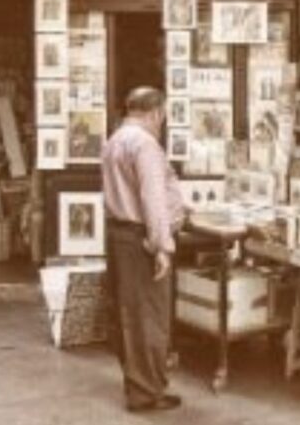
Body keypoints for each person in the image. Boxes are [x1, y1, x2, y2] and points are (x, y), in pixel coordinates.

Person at [101, 86, 185, 413]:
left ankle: (138, 384)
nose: (161, 123)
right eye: (162, 117)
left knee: (129, 315)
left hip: (120, 235)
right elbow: (153, 198)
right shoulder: (145, 144)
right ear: (156, 113)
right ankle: (147, 392)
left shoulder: (115, 140)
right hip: (141, 240)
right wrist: (162, 246)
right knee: (150, 317)